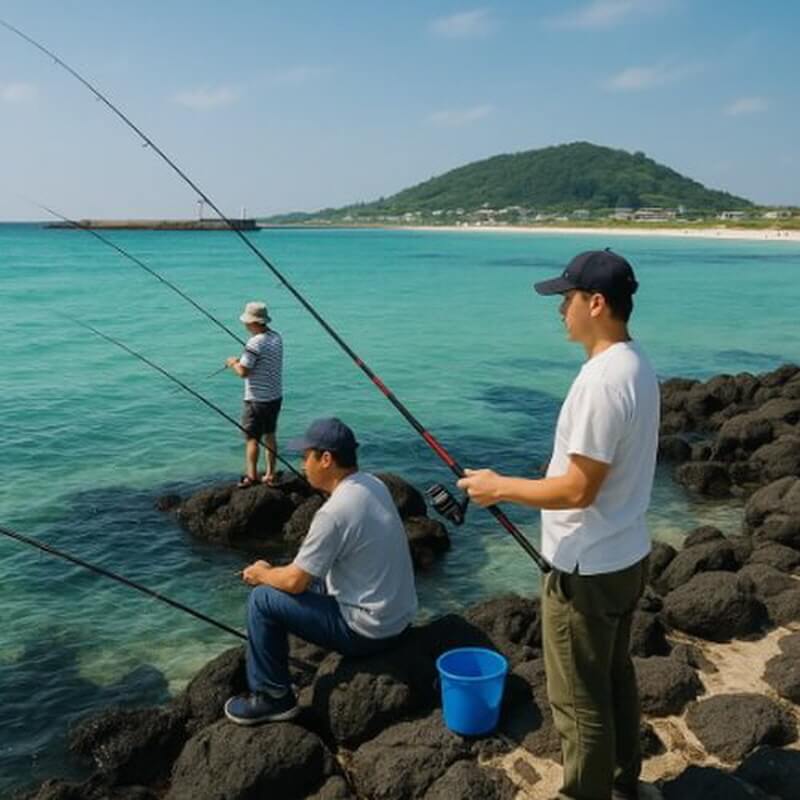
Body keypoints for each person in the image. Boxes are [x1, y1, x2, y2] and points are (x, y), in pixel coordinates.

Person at [457, 249, 659, 800]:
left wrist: (499, 487)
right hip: (625, 555)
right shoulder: (637, 365)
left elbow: (578, 488)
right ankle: (624, 782)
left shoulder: (600, 382)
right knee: (613, 677)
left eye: (566, 299)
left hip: (586, 569)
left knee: (577, 701)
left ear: (596, 303)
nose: (560, 310)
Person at [224, 417, 418, 725]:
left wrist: (261, 573)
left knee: (262, 600)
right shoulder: (374, 484)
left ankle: (273, 698)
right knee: (292, 580)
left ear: (326, 459)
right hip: (400, 620)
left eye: (306, 457)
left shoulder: (333, 513)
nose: (303, 465)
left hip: (368, 632)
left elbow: (295, 582)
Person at [226, 301, 283, 487]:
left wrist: (232, 362)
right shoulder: (276, 337)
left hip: (256, 399)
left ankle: (252, 476)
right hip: (274, 396)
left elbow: (244, 372)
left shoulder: (254, 342)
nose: (245, 324)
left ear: (254, 322)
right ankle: (271, 474)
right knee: (270, 435)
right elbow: (261, 360)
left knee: (252, 439)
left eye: (247, 321)